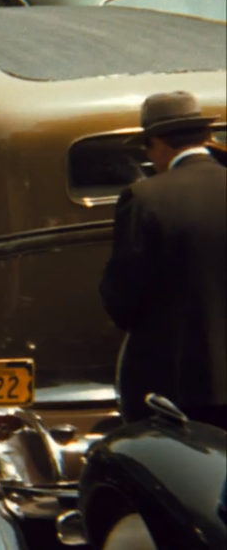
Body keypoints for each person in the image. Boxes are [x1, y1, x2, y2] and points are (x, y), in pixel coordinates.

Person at [100, 90, 227, 429]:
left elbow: (123, 296)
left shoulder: (144, 197)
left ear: (157, 143)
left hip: (180, 385)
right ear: (205, 135)